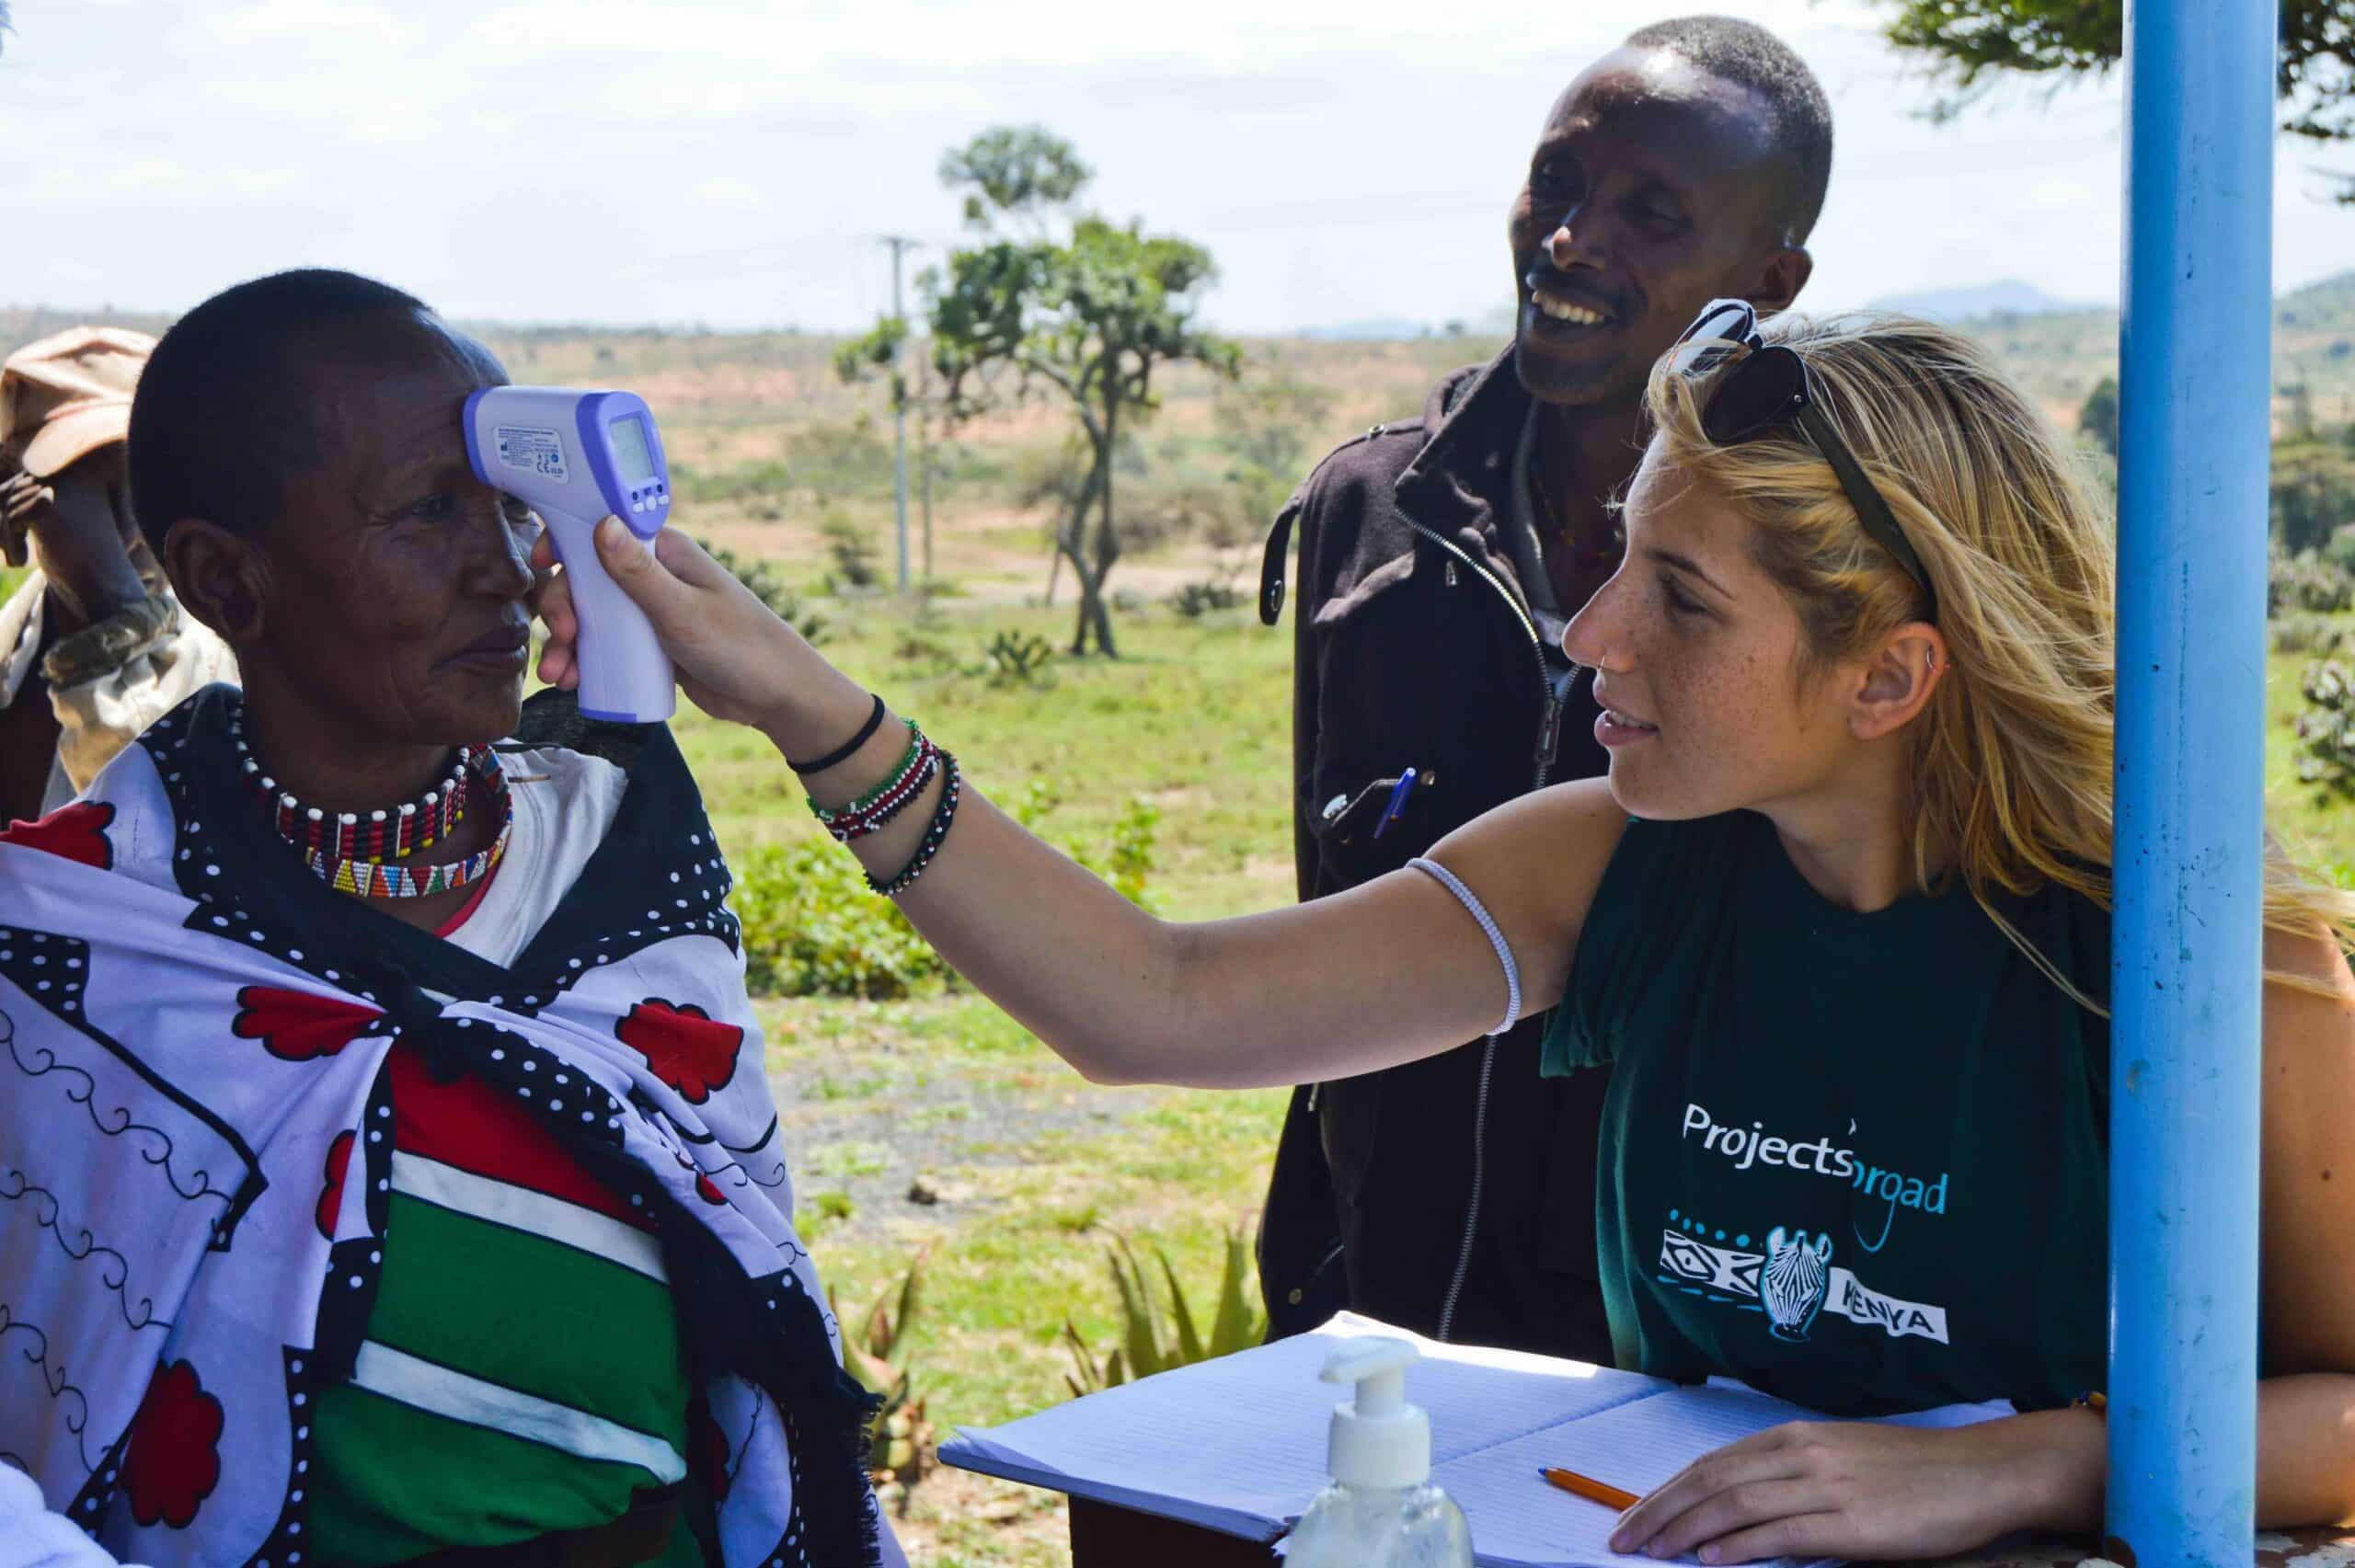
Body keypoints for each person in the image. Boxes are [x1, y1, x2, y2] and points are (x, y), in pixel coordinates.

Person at [531, 303, 2355, 1557]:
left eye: (1679, 599)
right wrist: (810, 715)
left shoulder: (2209, 970)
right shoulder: (1622, 868)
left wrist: (2019, 1471)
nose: (1590, 634)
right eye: (1617, 558)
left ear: (1887, 674)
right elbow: (1156, 1004)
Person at [0, 270, 904, 1568]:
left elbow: (738, 1275)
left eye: (511, 505)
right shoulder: (71, 935)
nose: (509, 568)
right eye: (430, 513)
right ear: (224, 581)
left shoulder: (621, 846)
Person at [1254, 15, 1832, 1356]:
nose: (1570, 240)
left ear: (1771, 278)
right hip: (1376, 1310)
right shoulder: (1373, 510)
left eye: (1649, 214)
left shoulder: (1830, 551)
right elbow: (1329, 915)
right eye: (1556, 185)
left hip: (1678, 1345)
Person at [0, 327, 237, 825]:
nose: (130, 533)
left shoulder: (231, 657)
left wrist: (113, 608)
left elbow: (163, 830)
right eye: (86, 496)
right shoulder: (12, 645)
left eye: (145, 487)